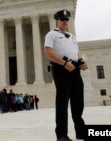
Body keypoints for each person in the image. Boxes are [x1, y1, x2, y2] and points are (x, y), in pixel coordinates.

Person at [44, 9, 88, 141]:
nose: (65, 22)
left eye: (66, 20)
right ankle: (62, 135)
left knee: (78, 102)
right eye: (62, 20)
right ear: (57, 21)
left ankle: (80, 132)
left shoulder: (72, 37)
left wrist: (82, 62)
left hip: (75, 70)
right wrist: (64, 63)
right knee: (62, 103)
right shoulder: (51, 35)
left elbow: (76, 53)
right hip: (62, 70)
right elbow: (49, 53)